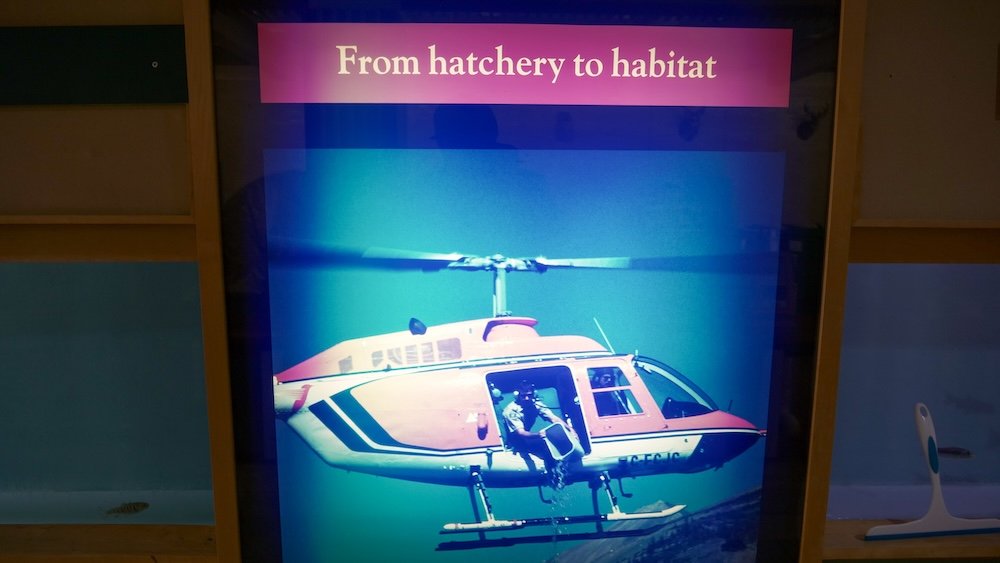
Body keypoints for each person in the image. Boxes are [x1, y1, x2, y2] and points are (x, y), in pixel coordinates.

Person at [502, 381, 562, 464]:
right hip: (515, 441)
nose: (527, 399)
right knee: (545, 445)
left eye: (529, 395)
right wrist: (538, 435)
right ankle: (552, 471)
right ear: (518, 396)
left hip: (527, 437)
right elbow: (521, 432)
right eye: (523, 396)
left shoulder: (536, 405)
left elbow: (554, 418)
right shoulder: (511, 411)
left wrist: (571, 430)